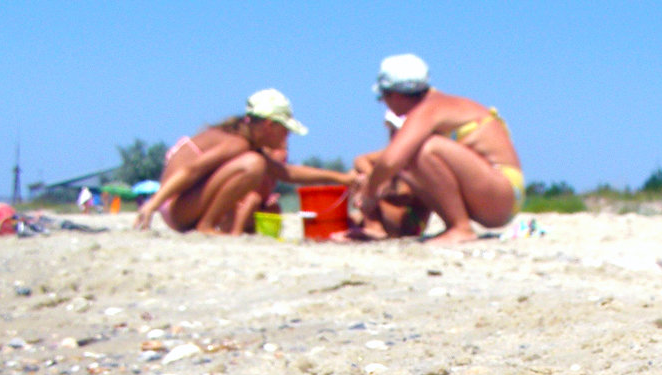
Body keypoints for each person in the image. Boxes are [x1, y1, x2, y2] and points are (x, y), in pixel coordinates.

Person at [355, 53, 524, 245]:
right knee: (408, 162)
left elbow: (390, 160)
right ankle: (455, 226)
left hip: (502, 193)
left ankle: (460, 228)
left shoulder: (429, 109)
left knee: (423, 148)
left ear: (393, 95)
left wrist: (369, 192)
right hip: (495, 194)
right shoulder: (435, 106)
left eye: (382, 97)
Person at [134, 89, 354, 234]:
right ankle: (207, 225)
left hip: (179, 205)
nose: (287, 137)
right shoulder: (238, 144)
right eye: (285, 130)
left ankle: (209, 224)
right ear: (269, 125)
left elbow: (287, 173)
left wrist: (341, 178)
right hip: (176, 208)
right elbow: (191, 170)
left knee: (255, 164)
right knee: (253, 165)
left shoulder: (241, 139)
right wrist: (153, 204)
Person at [333, 110, 431, 241]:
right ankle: (367, 224)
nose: (393, 135)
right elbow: (360, 160)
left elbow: (407, 195)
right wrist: (372, 179)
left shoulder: (420, 158)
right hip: (396, 217)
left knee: (363, 182)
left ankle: (374, 227)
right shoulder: (394, 155)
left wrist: (372, 186)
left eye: (397, 131)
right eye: (392, 131)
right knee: (358, 176)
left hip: (410, 223)